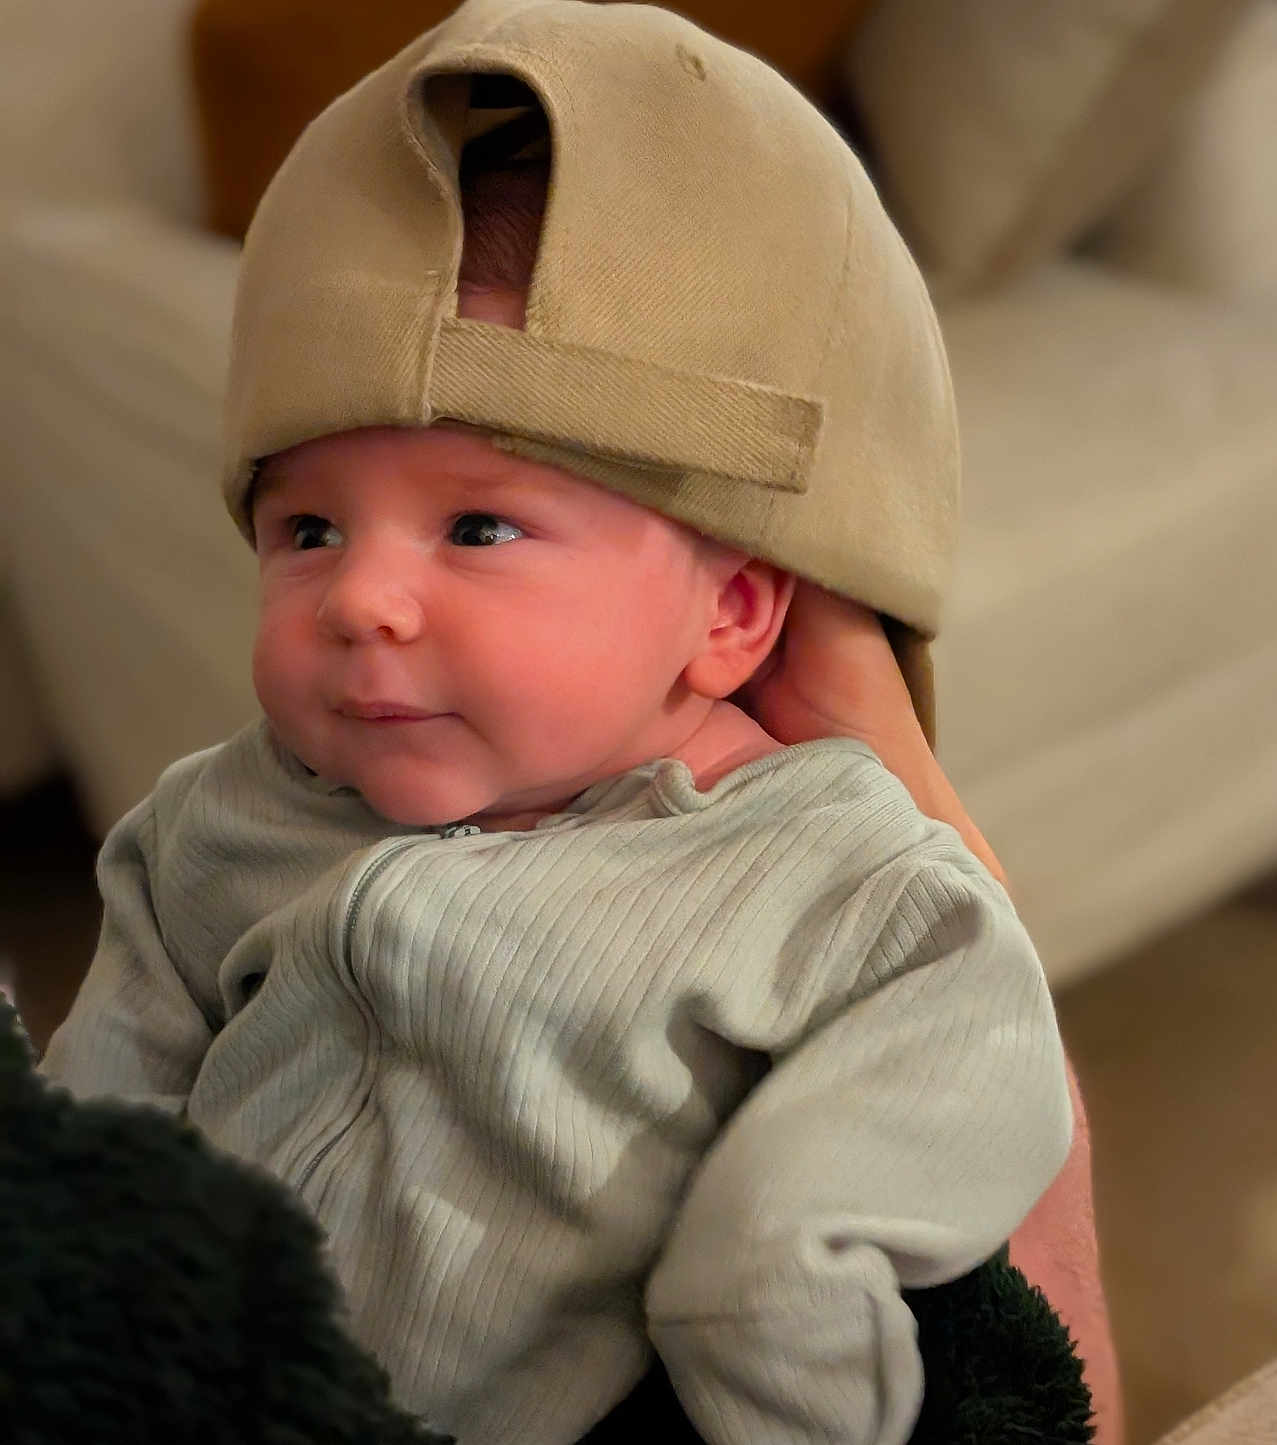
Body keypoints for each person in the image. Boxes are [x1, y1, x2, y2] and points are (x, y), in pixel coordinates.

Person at [41, 2, 1114, 1441]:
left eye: (477, 525)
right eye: (305, 527)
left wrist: (776, 1291)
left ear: (732, 615)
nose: (361, 597)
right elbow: (87, 1145)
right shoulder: (212, 822)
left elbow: (959, 1079)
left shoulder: (840, 883)